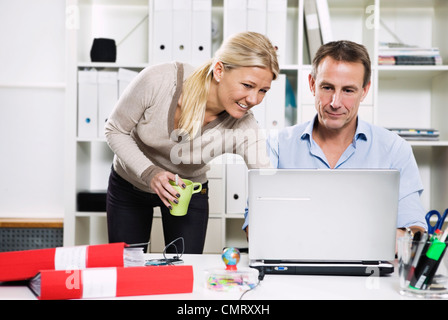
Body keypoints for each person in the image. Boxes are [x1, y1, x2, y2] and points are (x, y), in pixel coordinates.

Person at [105, 31, 278, 253]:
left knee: (185, 270)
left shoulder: (244, 127)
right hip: (130, 186)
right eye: (247, 85)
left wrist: (260, 218)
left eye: (263, 90)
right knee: (128, 268)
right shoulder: (159, 81)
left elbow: (266, 180)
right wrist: (151, 174)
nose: (254, 100)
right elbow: (115, 130)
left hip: (189, 192)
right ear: (219, 70)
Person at [244, 40, 427, 243]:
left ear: (364, 91)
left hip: (369, 271)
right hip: (295, 269)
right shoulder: (277, 146)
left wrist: (393, 237)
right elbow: (255, 229)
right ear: (312, 84)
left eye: (348, 90)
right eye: (328, 87)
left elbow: (415, 229)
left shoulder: (394, 149)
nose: (335, 103)